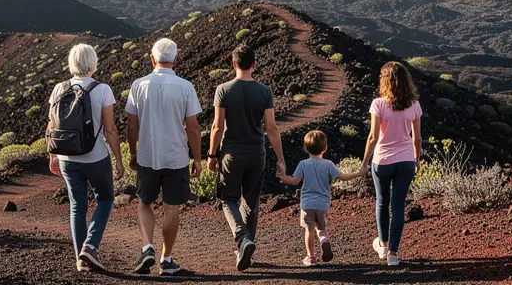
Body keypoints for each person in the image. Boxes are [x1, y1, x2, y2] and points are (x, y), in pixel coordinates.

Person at [125, 38, 202, 276]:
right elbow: (193, 127)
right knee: (172, 208)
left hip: (147, 156)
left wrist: (134, 152)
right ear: (175, 60)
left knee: (145, 202)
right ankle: (166, 259)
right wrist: (197, 158)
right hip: (176, 157)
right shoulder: (185, 87)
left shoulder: (139, 85)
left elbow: (131, 124)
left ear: (152, 59)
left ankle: (147, 246)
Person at [206, 44, 286, 271]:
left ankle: (242, 239)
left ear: (233, 64)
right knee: (251, 203)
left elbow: (217, 126)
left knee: (228, 199)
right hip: (257, 154)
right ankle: (246, 249)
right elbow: (271, 128)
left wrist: (212, 155)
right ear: (254, 64)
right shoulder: (265, 91)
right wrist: (280, 158)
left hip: (232, 154)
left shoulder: (223, 90)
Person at [46, 43, 124, 273]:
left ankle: (81, 259)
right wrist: (118, 158)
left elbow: (51, 127)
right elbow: (110, 129)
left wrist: (52, 155)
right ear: (93, 63)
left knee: (77, 206)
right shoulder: (102, 90)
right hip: (95, 157)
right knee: (106, 199)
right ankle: (90, 247)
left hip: (67, 157)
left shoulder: (59, 88)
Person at [360, 61, 422, 267]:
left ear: (385, 81)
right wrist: (417, 159)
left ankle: (383, 245)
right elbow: (417, 138)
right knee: (398, 207)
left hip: (383, 161)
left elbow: (373, 137)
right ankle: (393, 255)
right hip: (405, 161)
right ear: (406, 81)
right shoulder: (414, 105)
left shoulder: (378, 104)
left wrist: (364, 163)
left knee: (381, 202)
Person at [277, 130, 369, 266]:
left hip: (307, 204)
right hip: (322, 204)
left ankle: (311, 257)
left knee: (309, 230)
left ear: (305, 148)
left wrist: (282, 176)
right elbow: (342, 177)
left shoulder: (303, 164)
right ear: (325, 148)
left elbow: (295, 181)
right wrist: (359, 173)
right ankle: (324, 242)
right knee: (322, 229)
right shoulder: (328, 164)